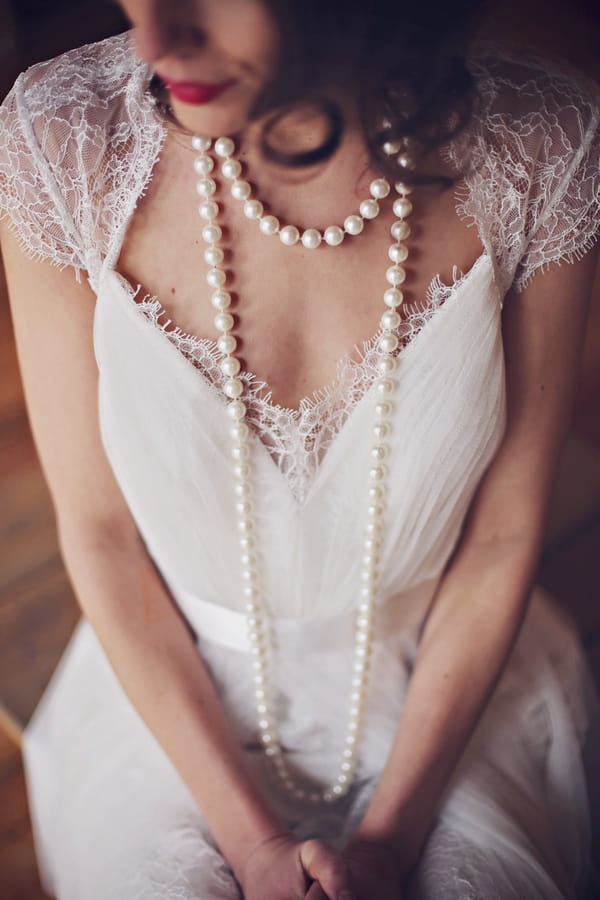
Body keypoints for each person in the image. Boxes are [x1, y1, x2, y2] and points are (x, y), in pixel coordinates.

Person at [0, 1, 599, 897]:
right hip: (171, 690)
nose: (159, 39)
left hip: (450, 677)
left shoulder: (546, 146)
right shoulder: (62, 141)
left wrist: (393, 841)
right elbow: (101, 536)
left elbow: (504, 539)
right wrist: (253, 847)